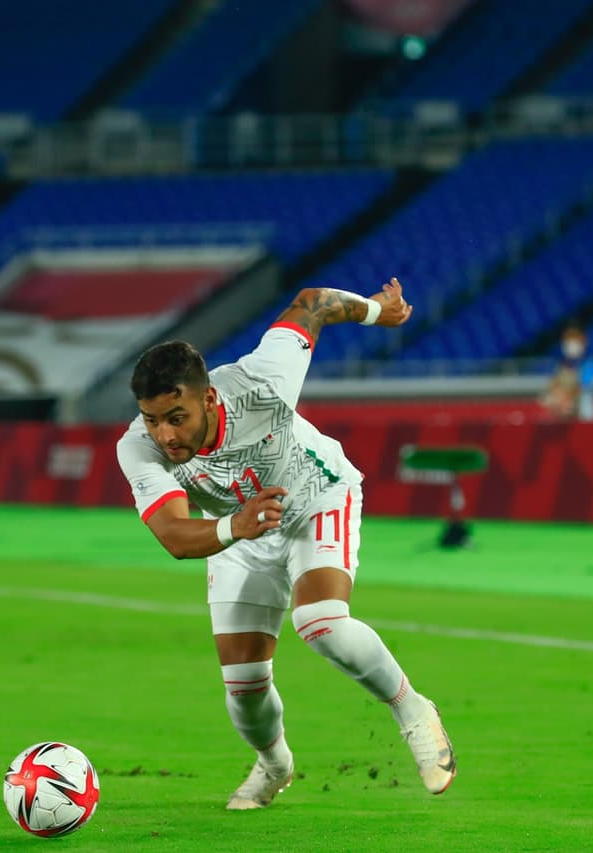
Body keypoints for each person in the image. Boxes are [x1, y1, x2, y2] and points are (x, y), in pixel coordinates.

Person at [116, 278, 455, 810]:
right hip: (239, 532)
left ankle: (413, 710)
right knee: (245, 690)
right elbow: (175, 536)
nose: (164, 435)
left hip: (317, 497)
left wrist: (377, 312)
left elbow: (313, 303)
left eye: (176, 418)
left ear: (207, 398)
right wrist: (235, 529)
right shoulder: (137, 448)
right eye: (152, 419)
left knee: (320, 622)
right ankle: (274, 765)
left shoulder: (263, 379)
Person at [541, 322, 593, 421]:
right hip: (563, 415)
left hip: (583, 414)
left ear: (583, 343)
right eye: (568, 341)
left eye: (575, 341)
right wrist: (554, 395)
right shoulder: (560, 366)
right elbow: (553, 386)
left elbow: (584, 385)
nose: (571, 345)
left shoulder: (589, 365)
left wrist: (567, 397)